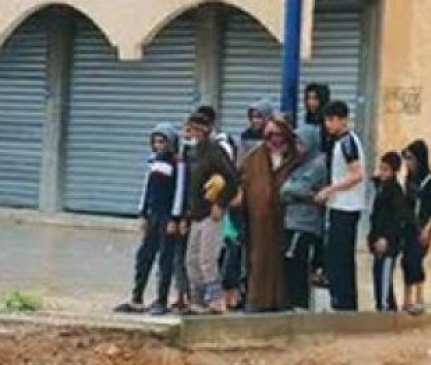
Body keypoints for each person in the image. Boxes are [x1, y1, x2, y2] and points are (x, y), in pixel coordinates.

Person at [115, 124, 183, 314]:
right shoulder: (153, 161)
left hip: (167, 216)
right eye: (156, 141)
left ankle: (161, 300)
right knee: (144, 256)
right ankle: (137, 298)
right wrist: (143, 213)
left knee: (165, 259)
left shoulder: (177, 163)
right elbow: (147, 189)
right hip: (152, 215)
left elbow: (179, 191)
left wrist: (175, 218)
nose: (159, 145)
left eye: (163, 141)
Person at [179, 113, 239, 315]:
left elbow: (232, 179)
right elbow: (190, 186)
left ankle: (214, 300)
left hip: (210, 212)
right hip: (196, 213)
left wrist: (221, 203)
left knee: (207, 259)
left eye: (195, 129)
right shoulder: (193, 153)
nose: (191, 133)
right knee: (191, 259)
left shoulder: (215, 151)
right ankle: (197, 299)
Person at [241, 117, 297, 312]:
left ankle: (280, 301)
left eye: (278, 135)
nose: (274, 140)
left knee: (282, 260)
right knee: (258, 258)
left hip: (285, 217)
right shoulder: (254, 157)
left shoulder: (294, 157)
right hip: (258, 217)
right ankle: (257, 301)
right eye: (269, 135)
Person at [315, 100, 367, 311]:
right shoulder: (342, 141)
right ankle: (343, 302)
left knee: (340, 258)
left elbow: (357, 174)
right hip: (340, 206)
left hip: (346, 207)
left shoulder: (347, 143)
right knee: (338, 257)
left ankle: (344, 303)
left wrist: (330, 190)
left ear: (342, 120)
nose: (328, 124)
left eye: (332, 119)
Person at [280, 125, 328, 311]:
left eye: (301, 143)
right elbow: (284, 190)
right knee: (289, 267)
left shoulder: (317, 165)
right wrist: (302, 193)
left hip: (305, 225)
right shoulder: (298, 165)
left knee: (299, 267)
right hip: (291, 221)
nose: (297, 147)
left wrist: (297, 191)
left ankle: (300, 306)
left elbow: (293, 189)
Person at [402, 139, 431, 314]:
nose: (408, 163)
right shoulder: (409, 179)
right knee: (406, 261)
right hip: (409, 225)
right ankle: (407, 299)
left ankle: (419, 298)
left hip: (424, 226)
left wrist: (427, 228)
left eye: (411, 158)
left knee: (416, 260)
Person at [368, 152, 407, 312]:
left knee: (384, 277)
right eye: (381, 169)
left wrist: (386, 239)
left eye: (386, 170)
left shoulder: (396, 192)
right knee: (378, 275)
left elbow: (396, 220)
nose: (382, 173)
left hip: (388, 243)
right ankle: (385, 306)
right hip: (378, 241)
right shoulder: (382, 189)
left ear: (394, 171)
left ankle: (384, 308)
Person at [238, 99, 275, 164]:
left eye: (259, 117)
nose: (255, 120)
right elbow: (241, 160)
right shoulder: (247, 135)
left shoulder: (275, 135)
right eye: (252, 117)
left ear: (267, 117)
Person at [303, 83, 333, 157]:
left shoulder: (329, 120)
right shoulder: (309, 118)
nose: (311, 102)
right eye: (308, 98)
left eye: (315, 99)